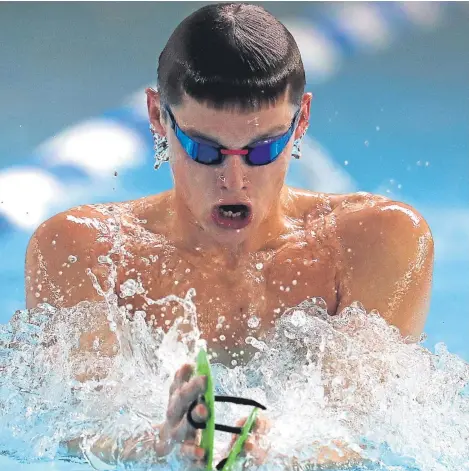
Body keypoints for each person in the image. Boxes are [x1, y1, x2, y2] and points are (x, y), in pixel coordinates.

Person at [24, 2, 434, 469]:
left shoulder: (377, 241)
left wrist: (279, 454)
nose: (234, 179)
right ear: (158, 116)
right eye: (205, 149)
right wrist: (159, 445)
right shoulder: (86, 250)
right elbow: (76, 426)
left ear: (301, 121)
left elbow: (364, 428)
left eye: (263, 149)